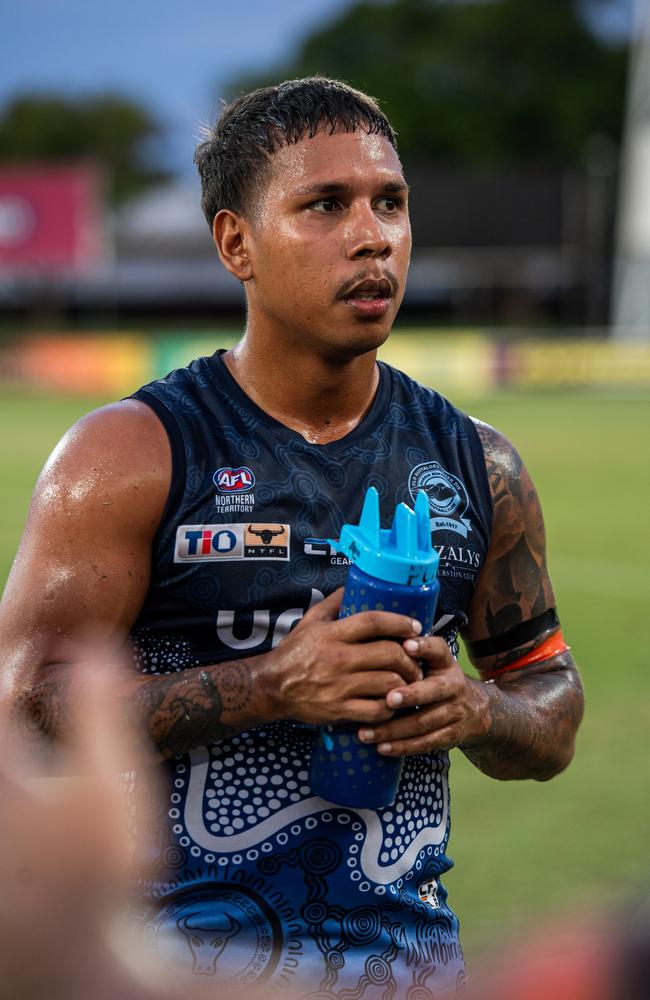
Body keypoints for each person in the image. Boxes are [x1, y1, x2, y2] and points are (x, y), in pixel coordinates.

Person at [0, 77, 584, 998]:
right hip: (170, 973)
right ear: (236, 241)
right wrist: (270, 686)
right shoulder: (132, 454)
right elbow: (24, 710)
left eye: (390, 203)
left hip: (413, 970)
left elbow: (551, 704)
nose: (373, 236)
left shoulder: (479, 465)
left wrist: (473, 711)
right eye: (325, 205)